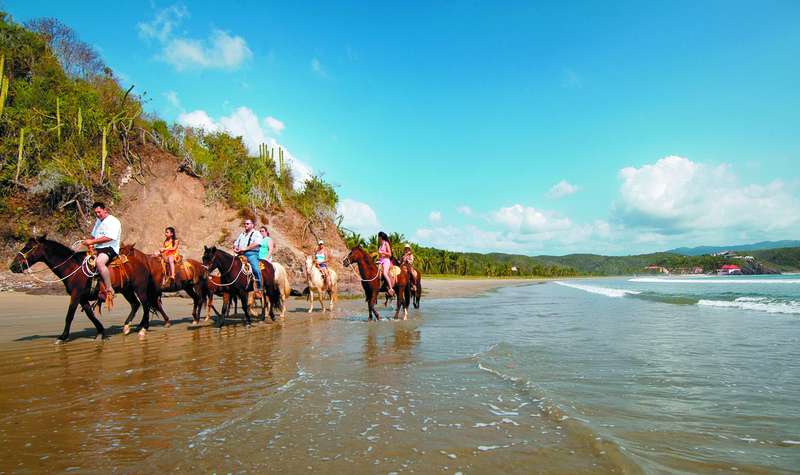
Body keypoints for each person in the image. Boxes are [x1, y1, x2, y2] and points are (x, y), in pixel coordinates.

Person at [83, 202, 121, 304]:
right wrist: (89, 243)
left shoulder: (113, 221)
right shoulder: (98, 221)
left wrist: (92, 242)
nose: (98, 214)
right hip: (98, 247)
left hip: (110, 248)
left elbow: (109, 237)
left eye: (99, 212)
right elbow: (94, 235)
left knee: (100, 262)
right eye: (96, 213)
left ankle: (109, 289)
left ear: (105, 210)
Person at [233, 218, 262, 289]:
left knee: (255, 268)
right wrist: (236, 248)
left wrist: (245, 248)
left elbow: (257, 243)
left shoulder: (256, 233)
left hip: (251, 254)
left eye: (247, 224)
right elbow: (236, 243)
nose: (245, 225)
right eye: (245, 224)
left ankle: (259, 287)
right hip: (240, 254)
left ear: (252, 225)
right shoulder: (242, 234)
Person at [378, 231, 395, 296]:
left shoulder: (386, 243)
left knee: (385, 273)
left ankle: (390, 288)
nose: (378, 238)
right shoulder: (380, 245)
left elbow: (390, 254)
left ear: (381, 237)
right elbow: (380, 255)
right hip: (380, 261)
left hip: (386, 261)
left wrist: (382, 253)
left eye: (378, 237)